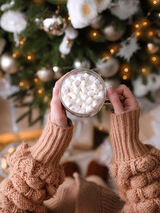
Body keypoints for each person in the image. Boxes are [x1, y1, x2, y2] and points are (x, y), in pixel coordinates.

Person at [0, 74, 160, 213]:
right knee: (96, 182)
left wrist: (51, 142)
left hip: (59, 202)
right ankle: (95, 178)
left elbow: (11, 205)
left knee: (66, 184)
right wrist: (127, 143)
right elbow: (151, 204)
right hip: (103, 202)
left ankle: (71, 179)